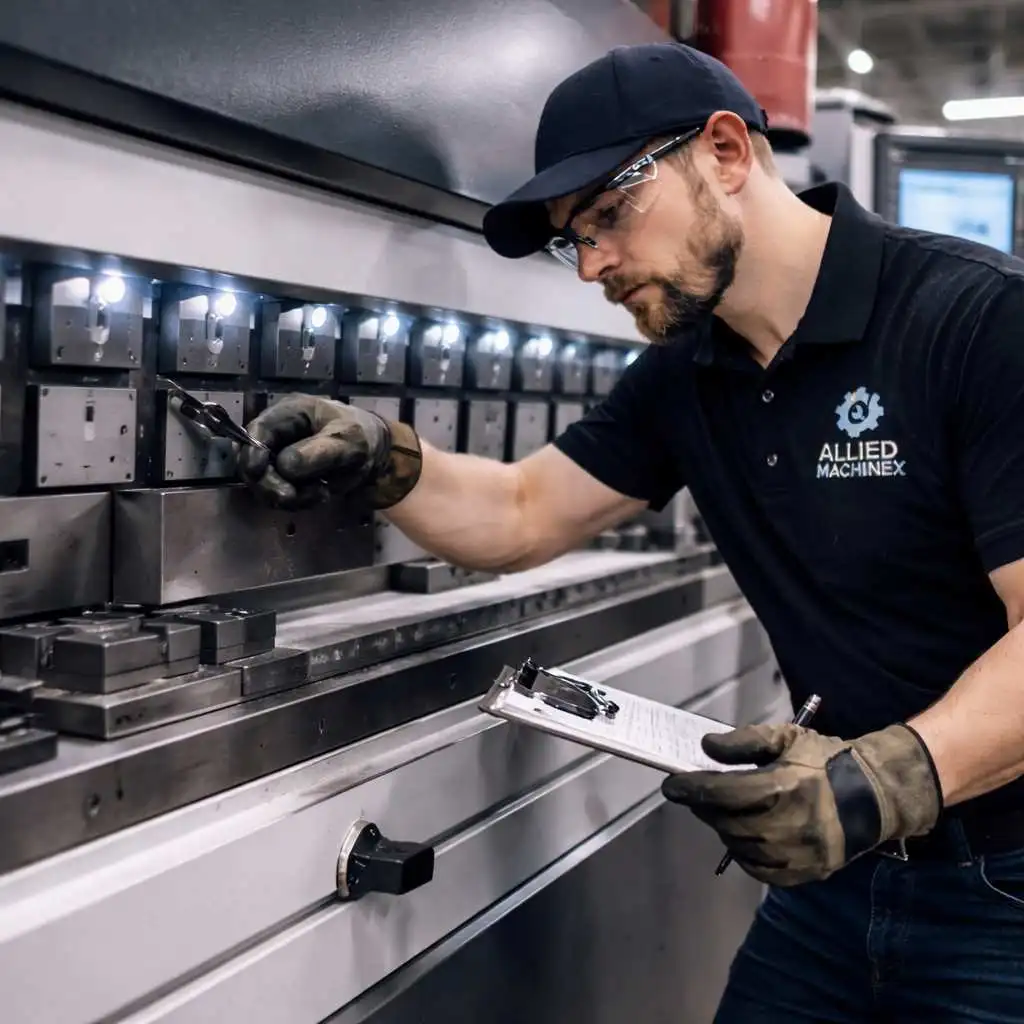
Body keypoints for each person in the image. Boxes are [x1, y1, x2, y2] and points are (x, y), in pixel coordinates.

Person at [238, 41, 1024, 1023]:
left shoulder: (976, 320)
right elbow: (523, 510)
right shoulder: (688, 377)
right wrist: (378, 457)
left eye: (610, 214)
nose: (593, 265)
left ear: (728, 153)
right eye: (577, 239)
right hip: (834, 885)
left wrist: (887, 777)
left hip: (1000, 890)